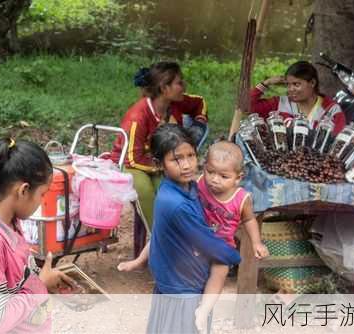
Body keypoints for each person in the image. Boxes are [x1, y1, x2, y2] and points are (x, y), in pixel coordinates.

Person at [118, 140, 269, 332]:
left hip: (220, 245)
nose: (215, 179)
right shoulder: (199, 184)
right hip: (195, 234)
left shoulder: (241, 199)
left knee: (219, 272)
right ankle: (139, 260)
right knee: (161, 234)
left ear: (238, 178)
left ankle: (203, 311)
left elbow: (249, 221)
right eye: (210, 172)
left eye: (224, 176)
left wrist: (257, 243)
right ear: (204, 168)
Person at [130, 124, 241, 333]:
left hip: (178, 280)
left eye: (190, 155)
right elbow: (212, 248)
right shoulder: (176, 204)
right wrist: (233, 255)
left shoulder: (188, 186)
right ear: (159, 163)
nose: (187, 165)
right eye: (176, 159)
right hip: (183, 288)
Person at [0, 138, 76, 334]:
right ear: (23, 190)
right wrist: (40, 284)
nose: (41, 202)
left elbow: (17, 284)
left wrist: (43, 283)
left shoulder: (9, 221)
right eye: (42, 194)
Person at [111, 61, 208, 230]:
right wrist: (164, 167)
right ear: (164, 88)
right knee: (146, 190)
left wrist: (200, 120)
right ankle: (156, 237)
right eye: (179, 82)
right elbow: (133, 158)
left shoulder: (175, 103)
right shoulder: (138, 116)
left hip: (157, 161)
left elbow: (199, 103)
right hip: (129, 163)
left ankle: (181, 231)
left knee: (170, 187)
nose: (184, 86)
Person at [250, 60, 346, 135]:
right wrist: (266, 83)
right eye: (288, 84)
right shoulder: (280, 103)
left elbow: (336, 144)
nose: (291, 89)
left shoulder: (332, 110)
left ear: (312, 83)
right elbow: (246, 106)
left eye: (296, 84)